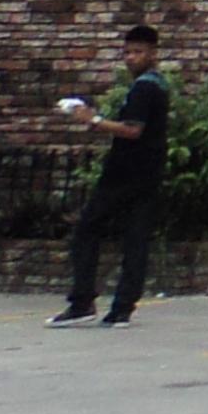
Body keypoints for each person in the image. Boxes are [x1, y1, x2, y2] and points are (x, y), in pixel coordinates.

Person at [48, 23, 171, 329]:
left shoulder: (144, 86)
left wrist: (94, 120)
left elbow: (132, 129)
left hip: (125, 174)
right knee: (135, 239)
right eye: (127, 52)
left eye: (138, 52)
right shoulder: (159, 84)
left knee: (87, 229)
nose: (131, 58)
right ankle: (122, 309)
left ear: (153, 54)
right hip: (149, 172)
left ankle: (82, 301)